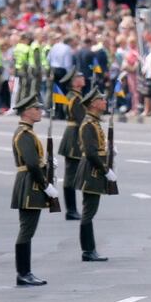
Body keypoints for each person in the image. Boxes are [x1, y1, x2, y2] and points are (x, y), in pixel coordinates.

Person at [11, 96, 59, 286]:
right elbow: (31, 163)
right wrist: (46, 185)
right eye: (36, 109)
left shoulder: (28, 133)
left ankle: (25, 272)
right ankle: (23, 273)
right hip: (30, 184)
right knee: (27, 230)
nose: (40, 111)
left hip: (30, 182)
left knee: (28, 229)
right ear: (26, 112)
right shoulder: (24, 134)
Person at [75, 88, 118, 262]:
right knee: (88, 212)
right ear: (93, 103)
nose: (105, 102)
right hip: (91, 172)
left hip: (94, 171)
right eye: (102, 99)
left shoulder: (93, 122)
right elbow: (91, 153)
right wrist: (106, 170)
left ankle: (89, 250)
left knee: (89, 212)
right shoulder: (88, 124)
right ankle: (88, 250)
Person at [57, 69, 86, 220]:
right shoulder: (75, 98)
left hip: (73, 134)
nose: (82, 78)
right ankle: (71, 210)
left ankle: (72, 210)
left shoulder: (75, 96)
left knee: (72, 175)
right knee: (70, 176)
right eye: (79, 77)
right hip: (74, 137)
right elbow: (82, 120)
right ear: (73, 82)